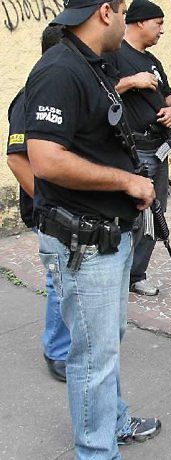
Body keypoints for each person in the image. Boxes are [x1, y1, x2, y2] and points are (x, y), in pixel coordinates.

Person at [24, 1, 162, 457]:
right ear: (106, 11)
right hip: (84, 243)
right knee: (92, 358)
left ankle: (114, 420)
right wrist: (127, 180)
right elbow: (44, 159)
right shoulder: (60, 69)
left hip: (109, 235)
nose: (125, 19)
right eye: (123, 9)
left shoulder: (94, 64)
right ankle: (96, 451)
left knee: (104, 348)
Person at [6, 25, 70, 383]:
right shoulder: (31, 94)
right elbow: (17, 159)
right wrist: (52, 205)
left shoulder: (61, 91)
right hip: (49, 212)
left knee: (68, 279)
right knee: (59, 280)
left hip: (68, 210)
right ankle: (57, 351)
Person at [104, 0, 171, 297]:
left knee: (156, 211)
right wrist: (131, 81)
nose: (162, 30)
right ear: (139, 21)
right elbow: (103, 91)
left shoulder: (153, 61)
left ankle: (138, 273)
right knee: (130, 213)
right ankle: (118, 274)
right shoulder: (113, 56)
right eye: (158, 23)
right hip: (131, 149)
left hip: (159, 147)